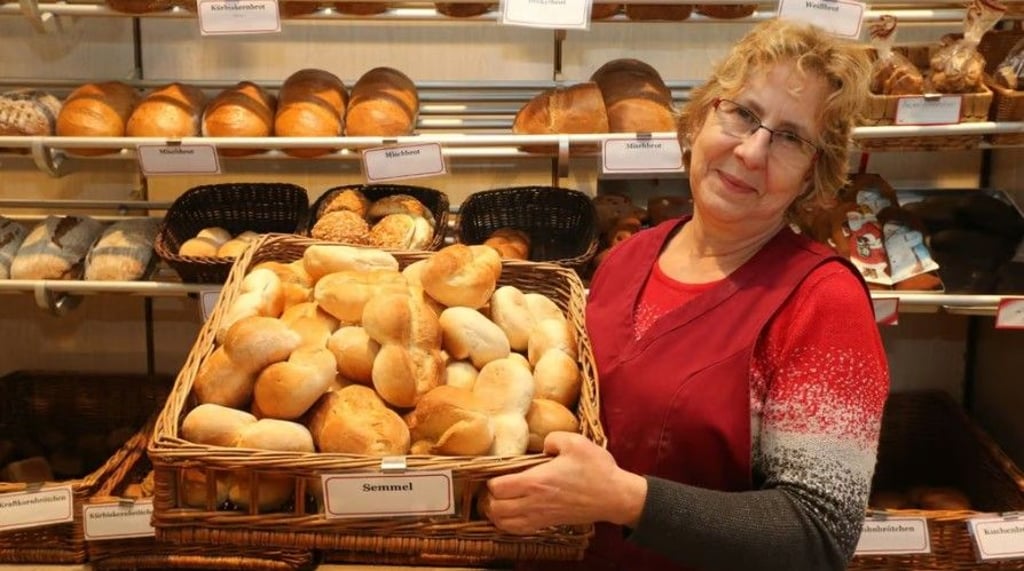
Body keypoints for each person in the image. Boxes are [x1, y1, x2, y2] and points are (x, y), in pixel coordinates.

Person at [479, 19, 891, 571]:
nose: (751, 151)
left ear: (812, 174)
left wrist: (626, 500)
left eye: (790, 138)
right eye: (743, 114)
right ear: (700, 119)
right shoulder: (627, 259)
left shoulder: (823, 302)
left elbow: (818, 535)